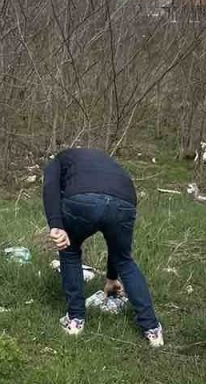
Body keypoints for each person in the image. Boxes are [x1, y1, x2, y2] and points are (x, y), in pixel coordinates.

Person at [43, 147, 164, 347]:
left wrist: (56, 225)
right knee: (124, 259)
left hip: (82, 200)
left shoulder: (59, 159)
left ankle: (75, 320)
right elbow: (116, 248)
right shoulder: (107, 163)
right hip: (124, 201)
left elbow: (50, 186)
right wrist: (111, 278)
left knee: (69, 251)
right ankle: (152, 330)